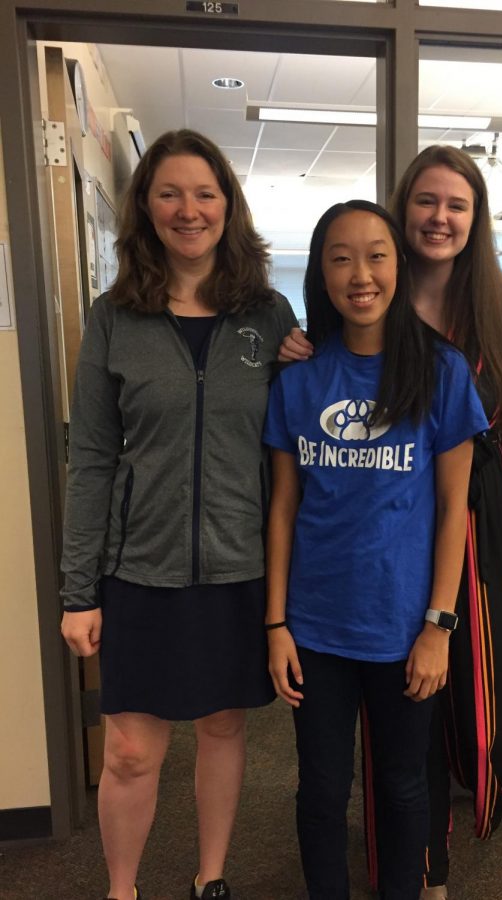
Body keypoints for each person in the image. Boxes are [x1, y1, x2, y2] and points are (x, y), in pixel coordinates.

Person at [279, 146, 502, 899]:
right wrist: (298, 347)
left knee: (472, 711)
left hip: (477, 524)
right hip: (393, 523)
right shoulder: (373, 307)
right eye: (426, 202)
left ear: (475, 219)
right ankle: (424, 872)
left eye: (457, 205)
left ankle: (467, 821)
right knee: (402, 717)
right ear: (404, 213)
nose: (440, 218)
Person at [60, 129, 297, 900]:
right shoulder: (113, 318)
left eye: (204, 193)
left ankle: (211, 878)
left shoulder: (266, 314)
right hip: (140, 569)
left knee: (225, 728)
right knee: (130, 749)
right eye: (170, 193)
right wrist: (78, 589)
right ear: (145, 208)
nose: (187, 209)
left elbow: (292, 442)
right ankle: (121, 890)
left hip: (237, 564)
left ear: (228, 206)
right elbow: (91, 458)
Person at [263, 199, 489, 900]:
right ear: (320, 273)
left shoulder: (442, 372)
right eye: (339, 256)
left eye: (376, 254)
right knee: (322, 792)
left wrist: (438, 627)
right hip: (316, 629)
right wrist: (274, 625)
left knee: (399, 787)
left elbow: (455, 509)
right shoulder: (298, 381)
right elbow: (282, 509)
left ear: (397, 264)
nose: (359, 273)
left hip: (403, 629)